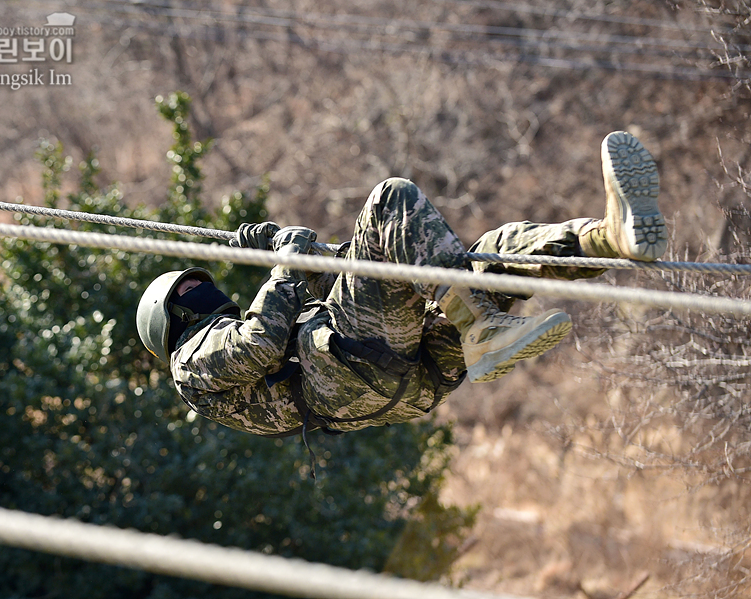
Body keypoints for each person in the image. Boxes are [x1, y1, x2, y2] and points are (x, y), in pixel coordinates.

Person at [136, 131, 666, 438]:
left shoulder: (219, 364)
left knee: (490, 254)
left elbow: (346, 285)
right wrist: (285, 267)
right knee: (391, 200)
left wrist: (296, 253)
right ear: (172, 319)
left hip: (396, 376)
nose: (202, 293)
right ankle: (479, 325)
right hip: (348, 371)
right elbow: (260, 341)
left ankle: (606, 240)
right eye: (188, 291)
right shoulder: (190, 363)